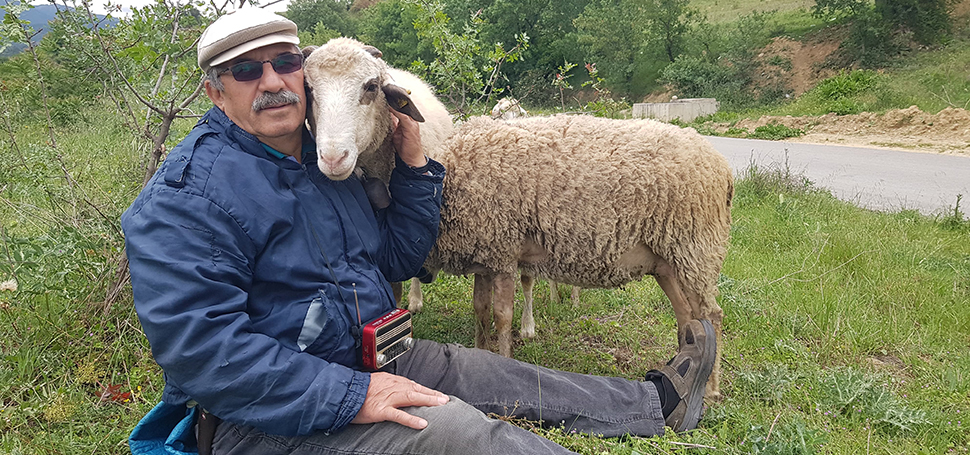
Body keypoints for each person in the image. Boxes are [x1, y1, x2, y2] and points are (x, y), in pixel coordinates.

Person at [122, 9, 717, 455]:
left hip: (371, 355)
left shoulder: (325, 161)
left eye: (286, 63)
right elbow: (202, 354)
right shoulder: (184, 198)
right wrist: (354, 397)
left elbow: (393, 257)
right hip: (269, 415)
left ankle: (656, 403)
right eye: (247, 71)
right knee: (464, 434)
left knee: (496, 374)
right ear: (214, 91)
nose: (273, 81)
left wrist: (413, 170)